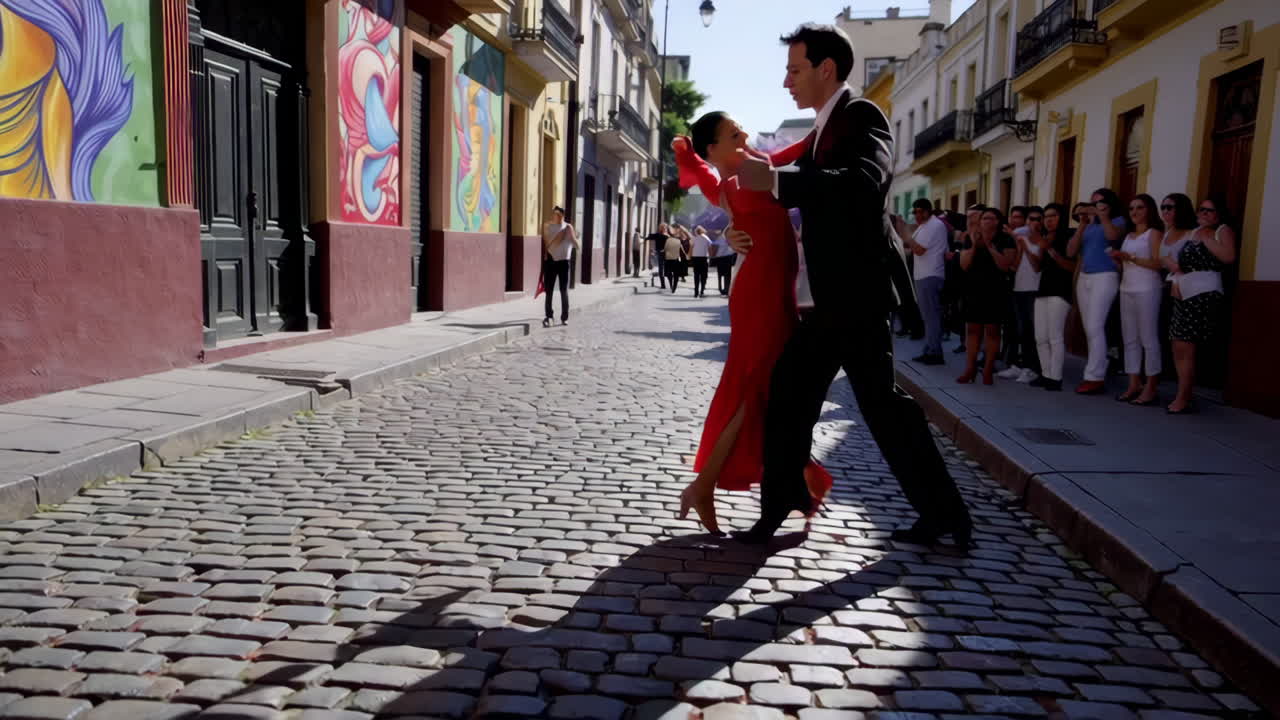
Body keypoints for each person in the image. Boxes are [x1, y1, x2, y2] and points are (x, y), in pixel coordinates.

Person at [733, 23, 972, 548]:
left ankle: (946, 515)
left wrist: (777, 182)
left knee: (881, 409)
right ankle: (784, 501)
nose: (786, 82)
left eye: (794, 70)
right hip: (828, 304)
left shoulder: (862, 117)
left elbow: (864, 186)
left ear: (827, 69)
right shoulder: (822, 128)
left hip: (855, 301)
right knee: (795, 394)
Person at [671, 114, 831, 535]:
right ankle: (706, 486)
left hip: (773, 292)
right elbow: (773, 161)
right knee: (760, 388)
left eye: (743, 131)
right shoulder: (736, 183)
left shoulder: (746, 173)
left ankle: (794, 477)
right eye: (734, 135)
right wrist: (822, 129)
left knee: (770, 390)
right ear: (714, 149)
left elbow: (782, 157)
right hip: (759, 294)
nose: (744, 138)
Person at [1165, 194, 1236, 414]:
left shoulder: (1221, 231)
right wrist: (1173, 271)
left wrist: (1207, 238)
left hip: (1203, 293)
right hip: (1183, 292)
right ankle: (1185, 393)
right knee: (1177, 344)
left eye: (1209, 211)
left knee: (1187, 345)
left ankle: (1183, 397)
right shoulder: (1192, 232)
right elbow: (1173, 259)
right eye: (1201, 210)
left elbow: (1228, 257)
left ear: (1218, 214)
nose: (1204, 214)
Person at [1068, 188, 1127, 394]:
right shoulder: (1089, 227)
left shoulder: (1118, 221)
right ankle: (1096, 370)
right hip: (1085, 277)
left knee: (1095, 325)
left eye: (1099, 202)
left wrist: (1102, 216)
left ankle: (1095, 376)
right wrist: (1082, 225)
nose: (1094, 206)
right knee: (1089, 328)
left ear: (1109, 204)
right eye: (1092, 202)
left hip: (1105, 276)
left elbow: (1112, 236)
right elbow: (1072, 251)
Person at [1110, 193, 1165, 405]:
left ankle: (1151, 386)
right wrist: (1118, 260)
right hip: (1127, 289)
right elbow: (1125, 266)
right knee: (1130, 339)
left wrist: (1131, 258)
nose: (1134, 212)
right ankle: (1134, 383)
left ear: (1149, 210)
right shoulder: (1128, 236)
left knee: (1148, 339)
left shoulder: (1154, 234)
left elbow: (1158, 264)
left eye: (1139, 207)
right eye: (1132, 208)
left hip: (1148, 289)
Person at [957, 207, 1016, 385]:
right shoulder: (971, 238)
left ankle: (988, 368)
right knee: (972, 330)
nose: (987, 222)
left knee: (992, 331)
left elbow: (1006, 265)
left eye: (991, 218)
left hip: (996, 290)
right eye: (984, 218)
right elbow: (964, 265)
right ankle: (970, 368)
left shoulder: (1005, 239)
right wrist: (975, 245)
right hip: (974, 289)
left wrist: (990, 247)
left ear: (998, 221)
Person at [1028, 203, 1077, 391]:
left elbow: (1072, 267)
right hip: (1043, 290)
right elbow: (1037, 267)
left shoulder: (1069, 236)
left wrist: (1051, 252)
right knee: (1040, 336)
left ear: (1061, 217)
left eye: (1053, 215)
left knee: (1055, 336)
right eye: (1045, 216)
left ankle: (1055, 378)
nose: (1048, 220)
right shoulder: (1045, 238)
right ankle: (1046, 374)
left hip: (1060, 291)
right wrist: (1030, 245)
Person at [1001, 206, 1044, 383]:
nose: (1034, 222)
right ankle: (1020, 366)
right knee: (1021, 330)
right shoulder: (1020, 233)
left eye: (1038, 219)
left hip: (1035, 288)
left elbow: (1037, 265)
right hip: (1019, 287)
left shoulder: (1043, 238)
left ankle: (1033, 368)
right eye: (1031, 219)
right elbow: (1015, 266)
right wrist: (1019, 246)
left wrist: (1024, 243)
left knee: (1034, 332)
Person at [903, 198, 948, 365]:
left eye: (921, 211)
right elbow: (910, 249)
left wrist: (906, 235)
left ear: (929, 211)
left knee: (931, 317)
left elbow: (919, 250)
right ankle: (930, 349)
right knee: (928, 317)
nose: (917, 215)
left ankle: (935, 353)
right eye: (915, 212)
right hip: (923, 275)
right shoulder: (925, 226)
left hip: (930, 275)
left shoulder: (934, 225)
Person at [541, 206, 579, 327]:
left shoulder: (568, 227)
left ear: (562, 215)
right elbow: (547, 244)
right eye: (553, 214)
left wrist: (574, 238)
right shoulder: (548, 226)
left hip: (564, 263)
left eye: (557, 214)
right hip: (551, 261)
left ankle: (564, 317)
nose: (554, 216)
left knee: (564, 291)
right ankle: (549, 316)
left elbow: (576, 244)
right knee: (549, 291)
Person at [690, 225, 713, 298]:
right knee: (704, 275)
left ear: (696, 232)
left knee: (696, 275)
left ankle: (696, 292)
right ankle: (702, 290)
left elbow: (691, 248)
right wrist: (711, 256)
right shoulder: (706, 238)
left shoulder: (694, 238)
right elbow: (710, 248)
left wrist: (690, 256)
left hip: (695, 258)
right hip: (703, 258)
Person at [711, 229, 736, 295]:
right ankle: (727, 289)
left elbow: (714, 248)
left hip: (721, 259)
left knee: (720, 274)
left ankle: (720, 288)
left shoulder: (719, 239)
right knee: (728, 275)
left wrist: (712, 256)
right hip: (728, 258)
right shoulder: (729, 238)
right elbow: (734, 248)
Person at [647, 223, 671, 289]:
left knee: (666, 270)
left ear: (665, 228)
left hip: (666, 254)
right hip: (660, 254)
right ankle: (663, 285)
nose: (663, 229)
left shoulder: (667, 236)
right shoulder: (658, 235)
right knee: (661, 269)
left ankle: (670, 284)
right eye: (661, 227)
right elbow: (650, 237)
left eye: (664, 227)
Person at [663, 228, 684, 293]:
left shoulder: (667, 240)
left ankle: (671, 284)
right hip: (676, 259)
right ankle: (674, 288)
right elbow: (681, 250)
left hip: (668, 259)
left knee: (668, 273)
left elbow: (665, 249)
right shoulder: (678, 241)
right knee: (676, 275)